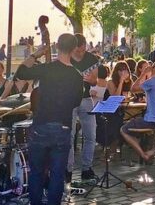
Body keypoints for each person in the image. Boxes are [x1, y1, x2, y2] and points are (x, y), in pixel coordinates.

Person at [14, 34, 83, 205]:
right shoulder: (76, 75)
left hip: (42, 126)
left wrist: (35, 54)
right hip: (63, 128)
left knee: (37, 172)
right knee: (57, 174)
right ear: (74, 49)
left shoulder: (47, 68)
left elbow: (21, 73)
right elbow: (76, 102)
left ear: (56, 47)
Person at [121, 59, 155, 161]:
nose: (151, 68)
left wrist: (143, 73)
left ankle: (143, 154)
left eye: (154, 66)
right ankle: (152, 149)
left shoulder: (152, 82)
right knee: (150, 128)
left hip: (153, 120)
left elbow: (133, 88)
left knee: (124, 129)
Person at [66, 33, 99, 181]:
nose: (81, 51)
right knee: (70, 136)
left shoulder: (92, 59)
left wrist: (92, 79)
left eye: (83, 48)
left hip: (86, 99)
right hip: (69, 100)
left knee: (91, 135)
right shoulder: (66, 58)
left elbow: (94, 81)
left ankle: (87, 168)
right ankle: (68, 169)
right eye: (78, 49)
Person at [95, 65, 124, 151]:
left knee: (117, 119)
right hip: (101, 111)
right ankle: (112, 145)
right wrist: (121, 82)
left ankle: (112, 145)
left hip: (105, 109)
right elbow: (115, 97)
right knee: (115, 120)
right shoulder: (109, 82)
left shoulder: (97, 83)